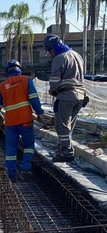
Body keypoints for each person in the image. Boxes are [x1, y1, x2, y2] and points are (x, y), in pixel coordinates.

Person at [0, 60, 44, 181]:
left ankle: (11, 173)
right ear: (19, 69)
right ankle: (25, 168)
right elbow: (34, 98)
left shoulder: (2, 86)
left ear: (7, 72)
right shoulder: (26, 80)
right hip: (25, 120)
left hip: (10, 123)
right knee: (29, 145)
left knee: (11, 149)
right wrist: (40, 112)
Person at [43, 34, 85, 162]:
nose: (50, 54)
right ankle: (63, 148)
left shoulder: (59, 58)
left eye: (50, 51)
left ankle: (67, 152)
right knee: (69, 126)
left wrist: (53, 89)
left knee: (62, 126)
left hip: (66, 95)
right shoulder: (77, 55)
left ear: (52, 48)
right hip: (80, 95)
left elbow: (55, 79)